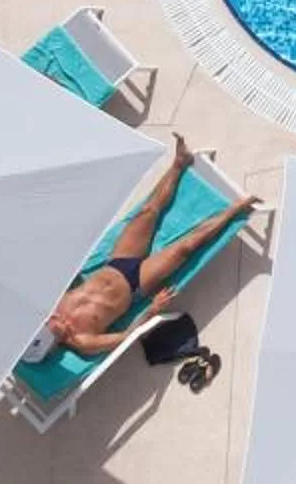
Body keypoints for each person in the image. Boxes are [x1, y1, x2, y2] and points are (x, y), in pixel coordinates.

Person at [25, 135, 256, 364]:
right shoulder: (84, 342)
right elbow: (126, 336)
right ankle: (235, 210)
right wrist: (153, 309)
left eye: (53, 324)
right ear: (55, 346)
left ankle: (179, 162)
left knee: (148, 211)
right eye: (61, 333)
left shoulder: (50, 305)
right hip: (137, 284)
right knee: (184, 249)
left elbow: (61, 273)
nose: (61, 323)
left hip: (117, 262)